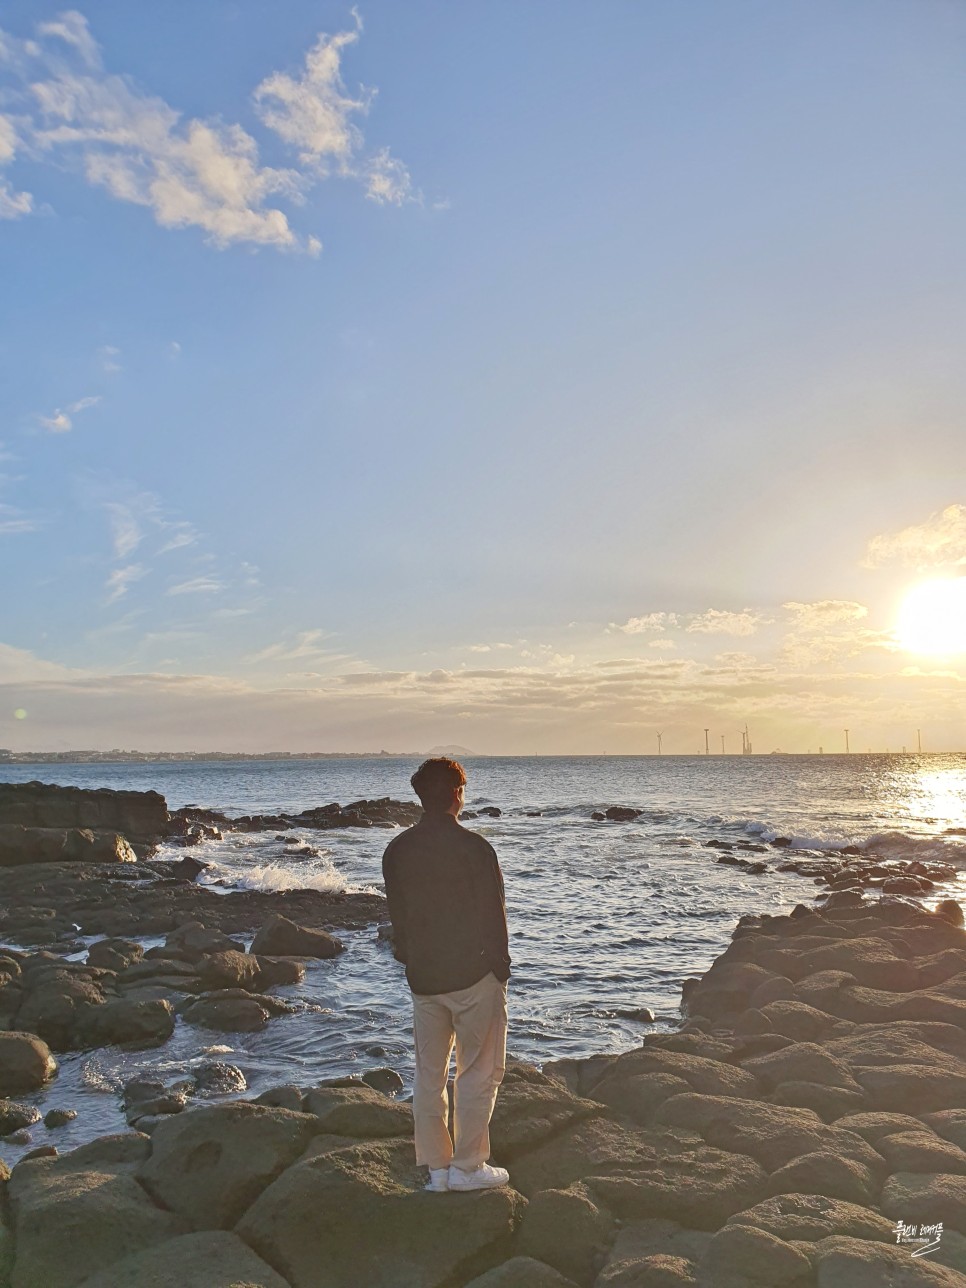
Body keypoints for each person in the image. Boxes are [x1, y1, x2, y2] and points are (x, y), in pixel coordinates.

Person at [382, 756, 511, 1192]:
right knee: (478, 1072)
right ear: (458, 794)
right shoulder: (475, 848)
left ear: (420, 796)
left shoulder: (397, 849)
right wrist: (501, 970)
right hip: (474, 975)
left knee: (428, 1074)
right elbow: (494, 916)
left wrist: (410, 960)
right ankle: (468, 1168)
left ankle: (437, 1170)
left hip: (424, 978)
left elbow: (397, 918)